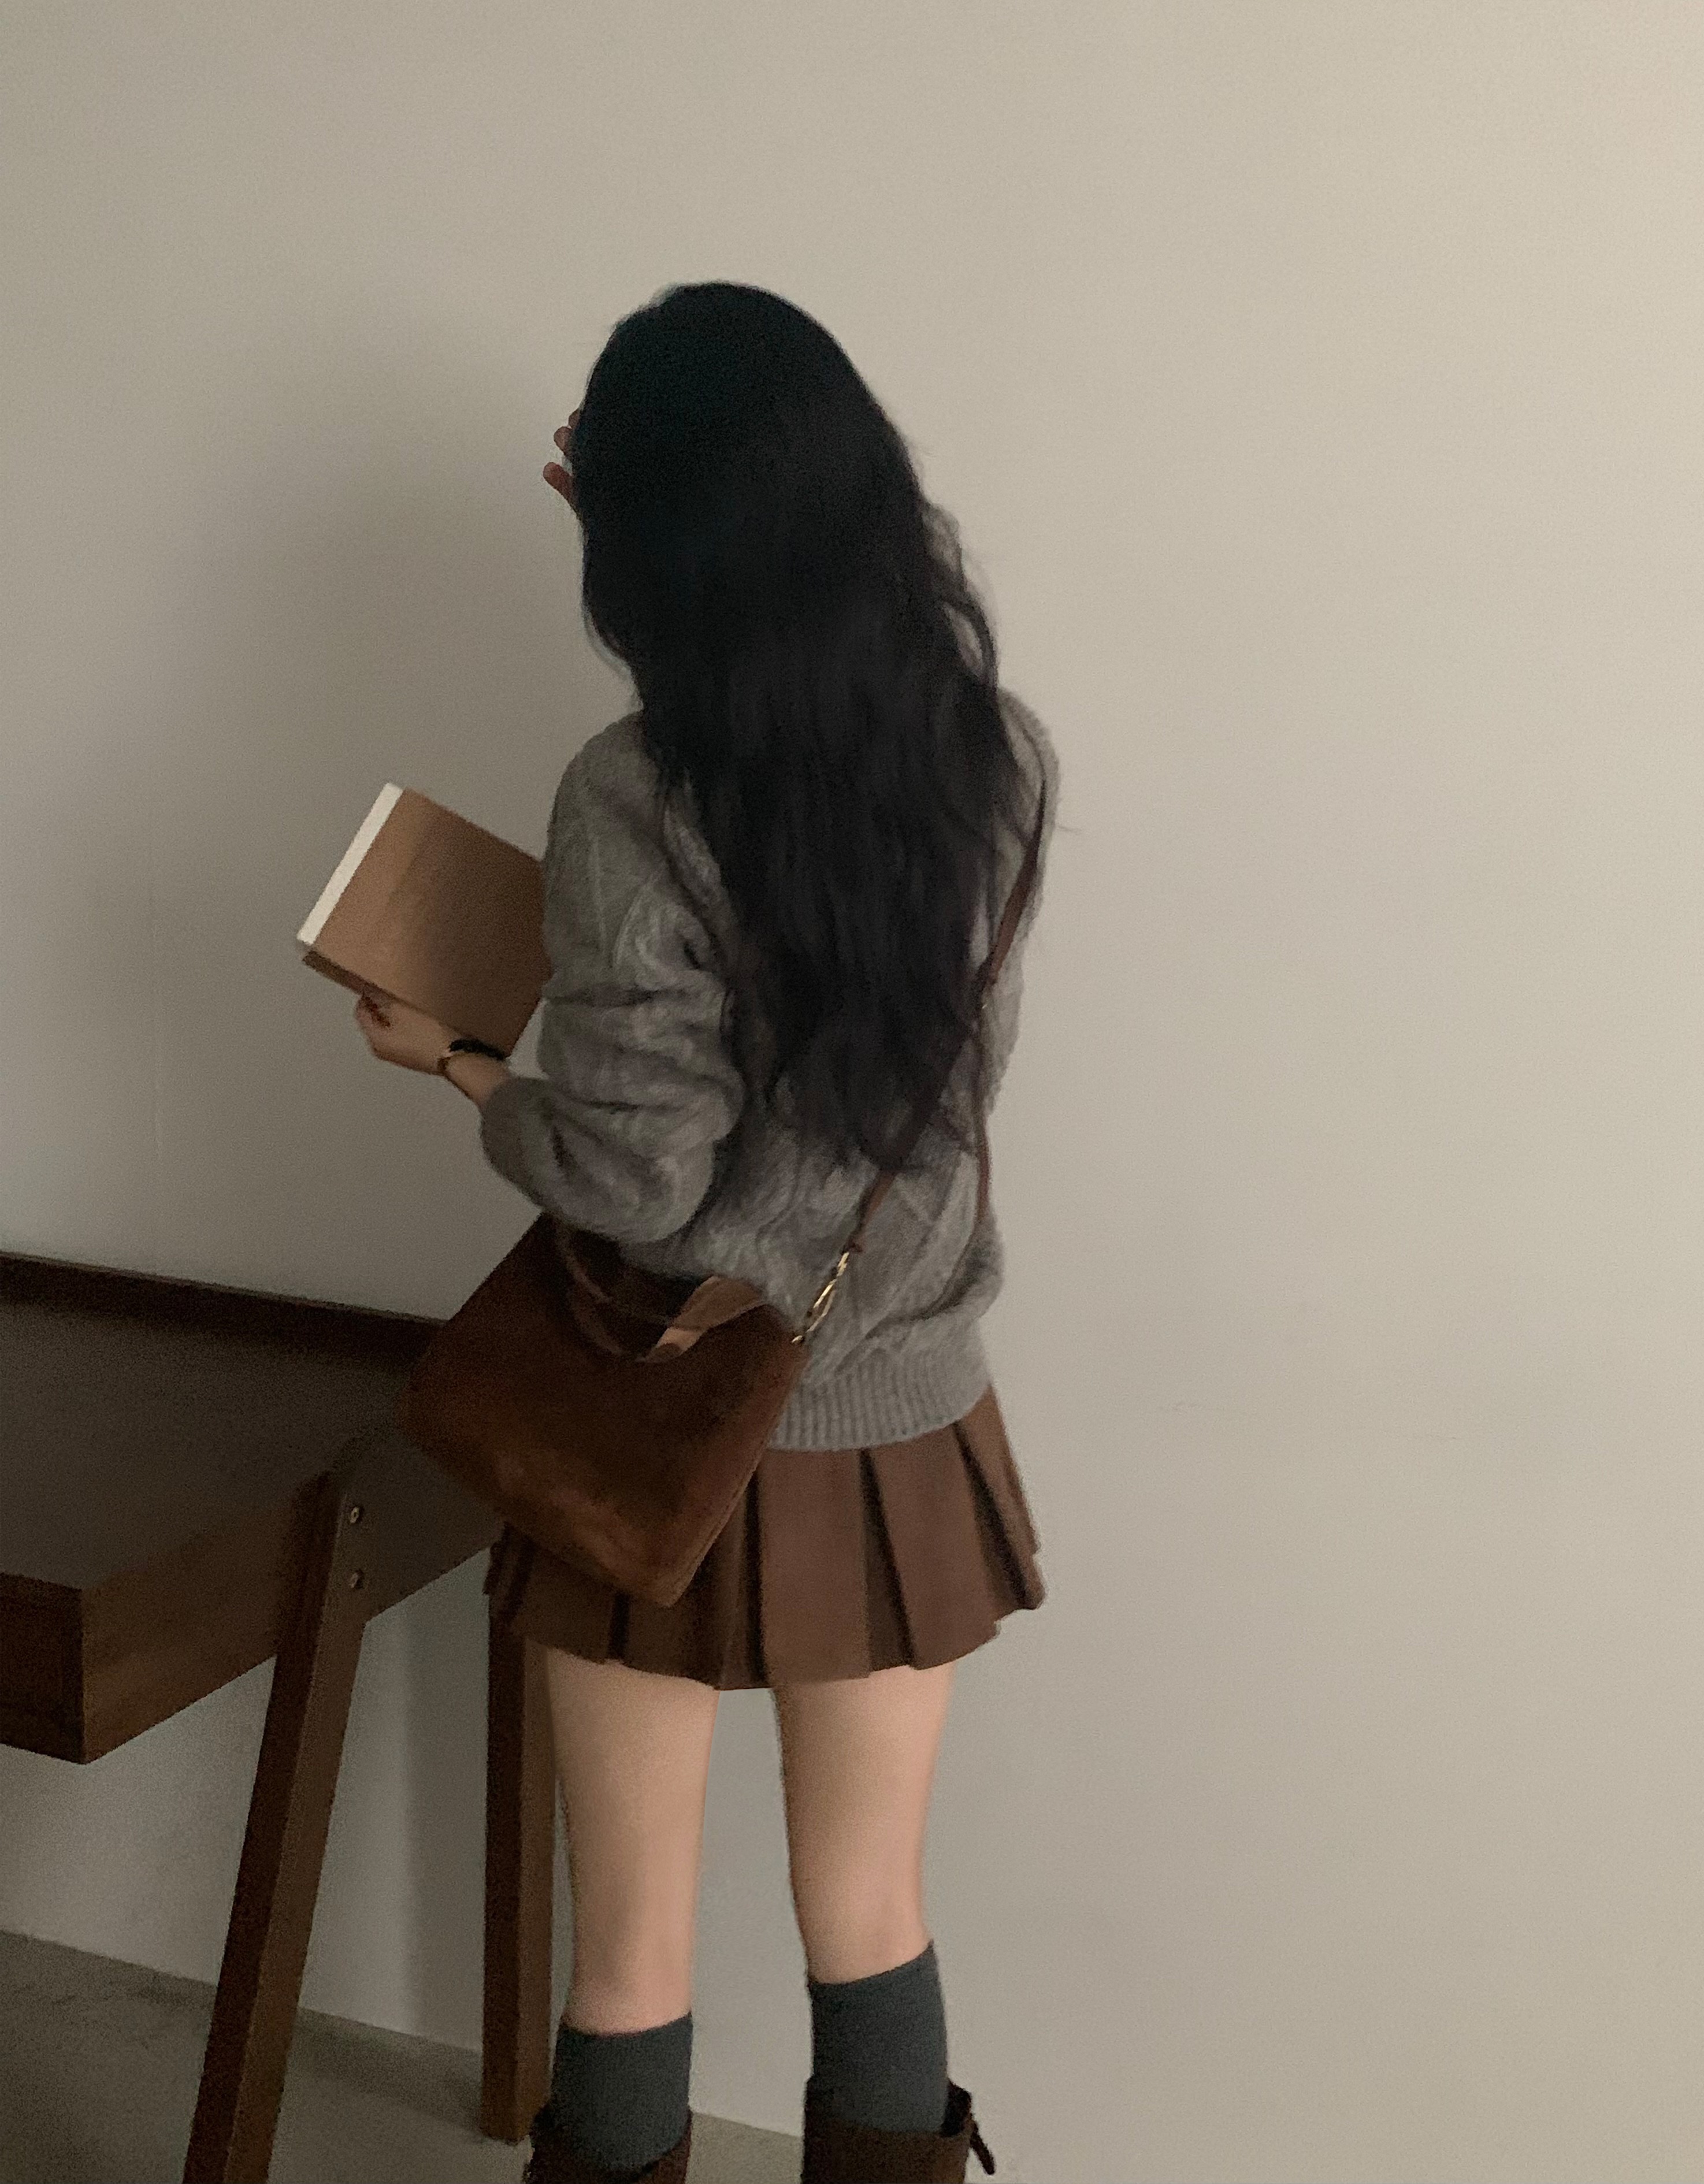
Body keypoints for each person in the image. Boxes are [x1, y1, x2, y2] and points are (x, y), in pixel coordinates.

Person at [357, 281, 1059, 2184]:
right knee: (872, 1913)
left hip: (653, 1420)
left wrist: (465, 1065)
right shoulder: (995, 761)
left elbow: (643, 1181)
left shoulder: (634, 796)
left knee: (630, 1950)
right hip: (899, 1427)